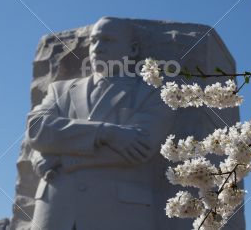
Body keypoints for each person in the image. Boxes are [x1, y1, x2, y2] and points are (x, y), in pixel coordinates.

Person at [26, 17, 176, 230]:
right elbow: (37, 130)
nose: (96, 47)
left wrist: (60, 157)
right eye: (94, 40)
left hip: (119, 214)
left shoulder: (151, 95)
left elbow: (139, 148)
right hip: (56, 212)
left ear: (132, 50)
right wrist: (106, 133)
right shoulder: (59, 90)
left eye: (107, 40)